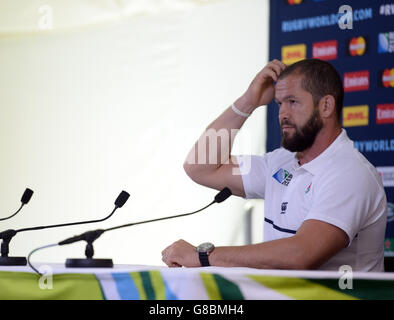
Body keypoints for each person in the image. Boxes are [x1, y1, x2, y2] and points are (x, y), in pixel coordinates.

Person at [161, 59, 387, 271]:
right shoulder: (281, 162)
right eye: (279, 103)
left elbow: (302, 254)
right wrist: (247, 102)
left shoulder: (349, 172)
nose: (282, 114)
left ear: (326, 106)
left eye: (293, 102)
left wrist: (204, 257)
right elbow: (199, 167)